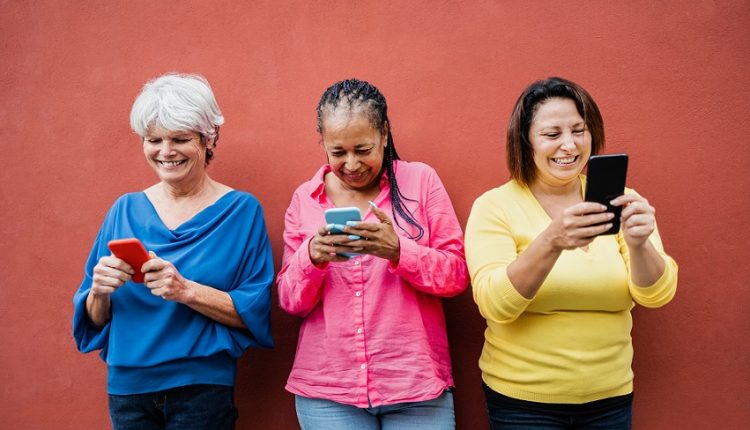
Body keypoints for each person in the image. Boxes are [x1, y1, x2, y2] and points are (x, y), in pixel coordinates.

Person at [465, 77, 678, 429]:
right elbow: (493, 303)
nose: (569, 145)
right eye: (552, 135)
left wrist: (640, 244)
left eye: (579, 131)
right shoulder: (495, 206)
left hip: (610, 398)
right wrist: (551, 241)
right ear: (525, 141)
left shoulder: (620, 198)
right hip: (524, 403)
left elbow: (657, 294)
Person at [72, 73, 274, 430]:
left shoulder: (241, 211)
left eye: (180, 139)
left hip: (202, 389)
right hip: (127, 390)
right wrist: (99, 292)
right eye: (154, 140)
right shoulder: (124, 209)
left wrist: (185, 290)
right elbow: (95, 319)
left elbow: (253, 312)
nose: (166, 152)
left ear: (209, 139)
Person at [277, 78, 469, 429]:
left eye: (363, 149)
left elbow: (456, 275)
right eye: (338, 152)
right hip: (328, 391)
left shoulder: (420, 182)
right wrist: (311, 257)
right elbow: (291, 302)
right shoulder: (305, 198)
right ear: (322, 142)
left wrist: (399, 251)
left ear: (384, 134)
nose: (351, 164)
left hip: (414, 387)